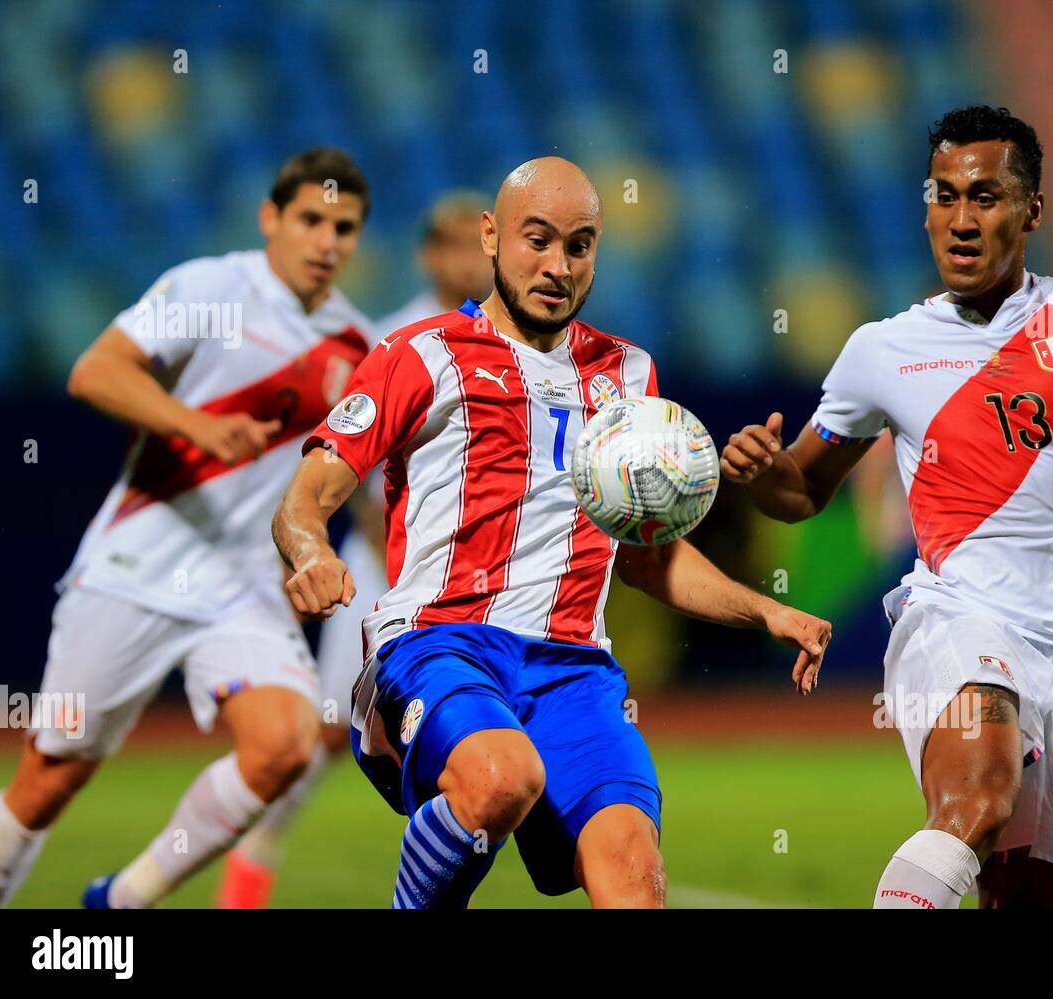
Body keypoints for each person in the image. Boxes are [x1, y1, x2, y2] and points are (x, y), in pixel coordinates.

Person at [273, 156, 832, 908]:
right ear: (492, 236)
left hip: (573, 668)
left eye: (579, 245)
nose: (557, 265)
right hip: (439, 643)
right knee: (502, 776)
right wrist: (308, 552)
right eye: (536, 240)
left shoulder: (628, 375)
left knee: (635, 875)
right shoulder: (420, 354)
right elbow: (306, 495)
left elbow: (647, 561)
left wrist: (767, 609)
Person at [721, 106, 1053, 909]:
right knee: (978, 800)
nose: (961, 219)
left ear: (1031, 210)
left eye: (987, 196)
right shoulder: (881, 349)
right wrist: (762, 475)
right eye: (944, 195)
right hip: (958, 618)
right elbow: (801, 490)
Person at [0, 148, 374, 909]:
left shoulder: (359, 347)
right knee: (50, 779)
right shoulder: (210, 287)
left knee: (284, 745)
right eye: (312, 220)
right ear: (272, 218)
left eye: (346, 227)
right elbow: (95, 370)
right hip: (140, 560)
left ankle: (120, 902)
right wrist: (196, 423)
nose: (327, 240)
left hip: (243, 586)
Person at [216, 190, 492, 908]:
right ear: (429, 253)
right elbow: (344, 467)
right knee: (333, 727)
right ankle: (258, 843)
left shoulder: (514, 341)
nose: (471, 257)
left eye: (479, 241)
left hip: (486, 578)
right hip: (388, 571)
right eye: (455, 242)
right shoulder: (392, 338)